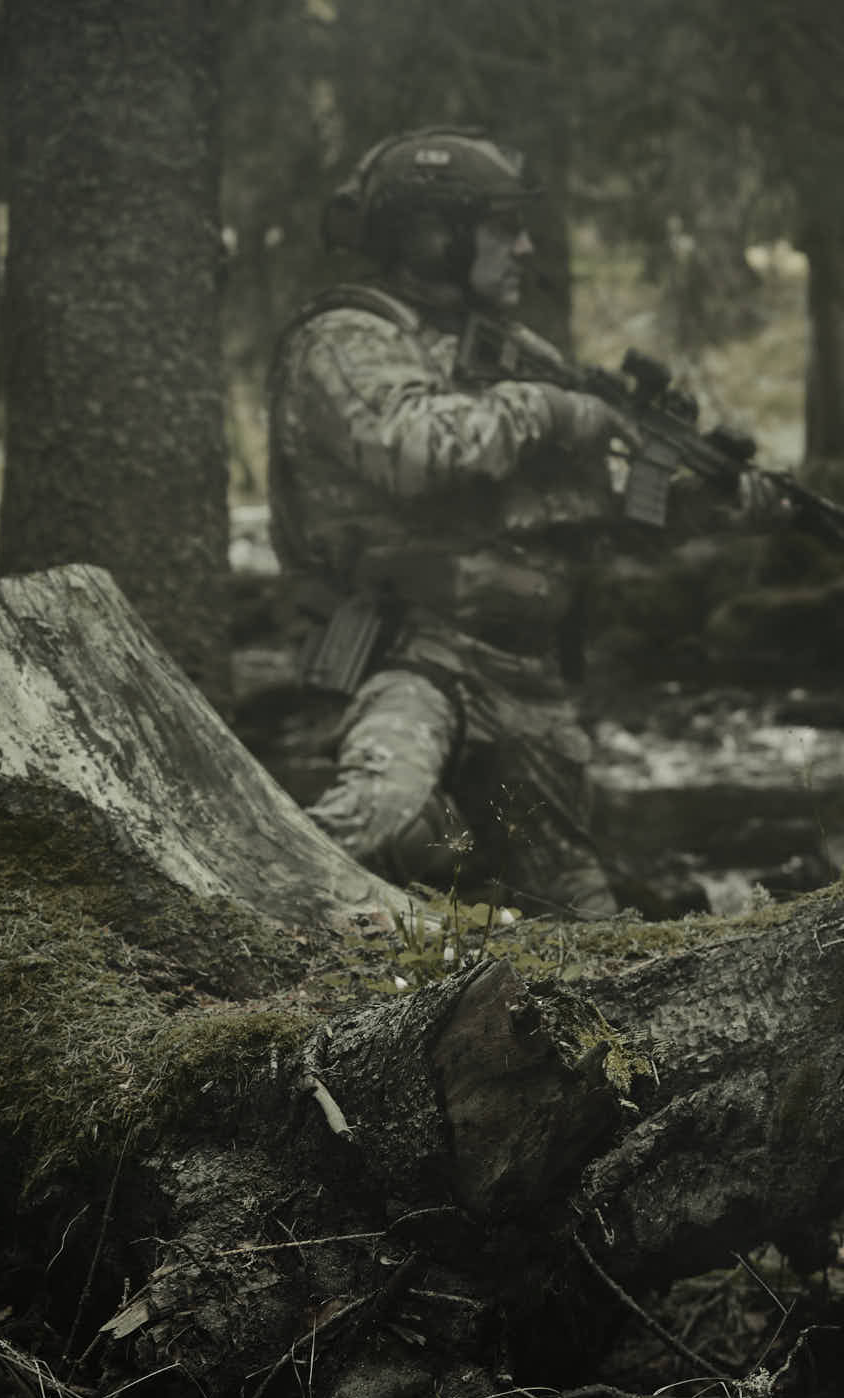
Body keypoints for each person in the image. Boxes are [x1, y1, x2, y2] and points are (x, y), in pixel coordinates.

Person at [267, 126, 631, 916]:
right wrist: (549, 410)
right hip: (402, 655)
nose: (525, 248)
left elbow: (590, 497)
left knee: (581, 918)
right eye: (503, 228)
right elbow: (416, 447)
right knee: (374, 826)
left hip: (522, 676)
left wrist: (713, 494)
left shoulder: (506, 346)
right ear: (432, 234)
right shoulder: (344, 339)